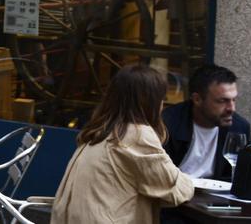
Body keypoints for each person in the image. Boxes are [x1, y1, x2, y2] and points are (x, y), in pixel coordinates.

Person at [52, 64, 194, 224]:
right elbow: (171, 188)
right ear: (151, 103)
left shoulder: (101, 130)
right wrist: (188, 182)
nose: (162, 106)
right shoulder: (137, 135)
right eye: (162, 99)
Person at [162, 65, 251, 180]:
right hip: (175, 194)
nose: (231, 108)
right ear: (197, 99)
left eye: (233, 100)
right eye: (222, 101)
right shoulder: (167, 123)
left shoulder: (239, 127)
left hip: (215, 196)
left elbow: (237, 178)